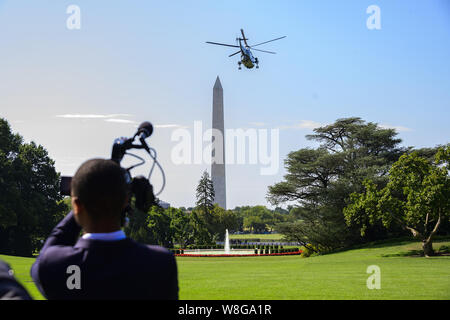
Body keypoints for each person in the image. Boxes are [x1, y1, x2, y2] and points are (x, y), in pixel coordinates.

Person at [31, 159, 178, 300]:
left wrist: (86, 193)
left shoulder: (55, 265)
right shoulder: (161, 263)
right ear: (126, 201)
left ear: (77, 205)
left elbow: (51, 247)